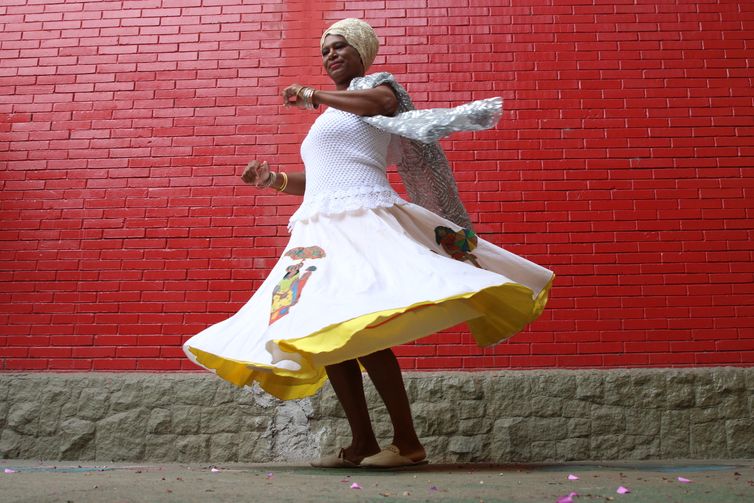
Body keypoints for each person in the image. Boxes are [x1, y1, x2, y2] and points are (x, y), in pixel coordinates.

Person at [183, 18, 554, 469]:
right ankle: (362, 443)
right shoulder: (331, 114)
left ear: (362, 52)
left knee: (359, 324)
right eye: (325, 50)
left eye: (341, 47)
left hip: (361, 220)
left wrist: (312, 94)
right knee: (322, 329)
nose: (330, 55)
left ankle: (407, 442)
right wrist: (275, 180)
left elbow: (377, 103)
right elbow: (323, 177)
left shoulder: (377, 90)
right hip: (320, 229)